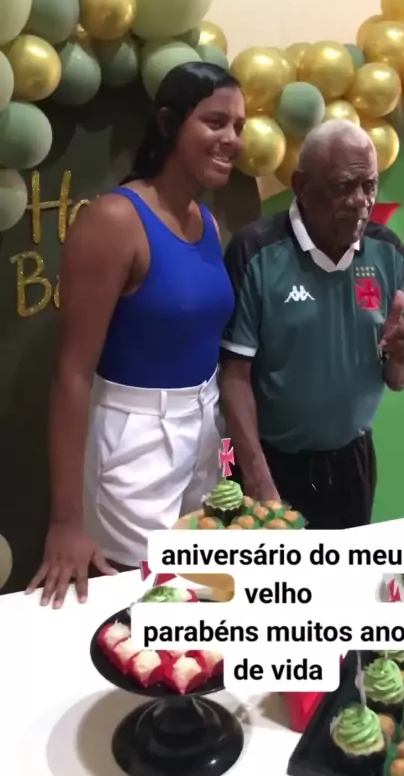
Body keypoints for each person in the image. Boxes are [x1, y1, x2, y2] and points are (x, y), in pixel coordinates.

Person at [27, 61, 245, 607]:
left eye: (239, 126)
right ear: (169, 123)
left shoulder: (205, 220)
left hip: (205, 428)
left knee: (195, 597)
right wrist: (66, 521)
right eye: (215, 121)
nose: (232, 139)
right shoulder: (115, 220)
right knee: (138, 603)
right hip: (134, 440)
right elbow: (71, 373)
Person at [219, 119, 404, 529]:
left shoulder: (387, 252)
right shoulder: (256, 251)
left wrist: (403, 357)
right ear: (302, 187)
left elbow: (399, 380)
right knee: (272, 573)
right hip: (271, 465)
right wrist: (258, 480)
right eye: (343, 186)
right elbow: (233, 375)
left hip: (352, 464)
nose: (361, 201)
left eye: (369, 185)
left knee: (345, 571)